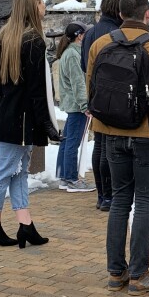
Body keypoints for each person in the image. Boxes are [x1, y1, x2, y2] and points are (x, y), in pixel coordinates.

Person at [86, 0, 149, 295]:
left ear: (119, 14)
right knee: (144, 201)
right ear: (147, 14)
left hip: (112, 131)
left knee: (118, 200)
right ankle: (140, 274)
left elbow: (93, 87)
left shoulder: (101, 43)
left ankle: (116, 272)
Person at [0, 0, 60, 249]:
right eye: (41, 1)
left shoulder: (5, 37)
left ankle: (25, 224)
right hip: (22, 120)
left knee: (17, 172)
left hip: (6, 116)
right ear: (32, 7)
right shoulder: (33, 42)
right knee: (4, 171)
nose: (44, 5)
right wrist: (48, 125)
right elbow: (37, 91)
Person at [81, 0, 124, 211]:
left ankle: (102, 195)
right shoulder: (115, 34)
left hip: (95, 94)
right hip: (112, 95)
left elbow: (84, 64)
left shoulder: (91, 33)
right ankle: (109, 195)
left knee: (99, 144)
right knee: (109, 147)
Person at [55, 22, 93, 193]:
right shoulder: (73, 54)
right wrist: (85, 104)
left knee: (68, 141)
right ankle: (71, 179)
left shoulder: (70, 53)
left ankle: (64, 177)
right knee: (72, 142)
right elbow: (78, 82)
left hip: (73, 104)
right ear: (80, 36)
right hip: (77, 105)